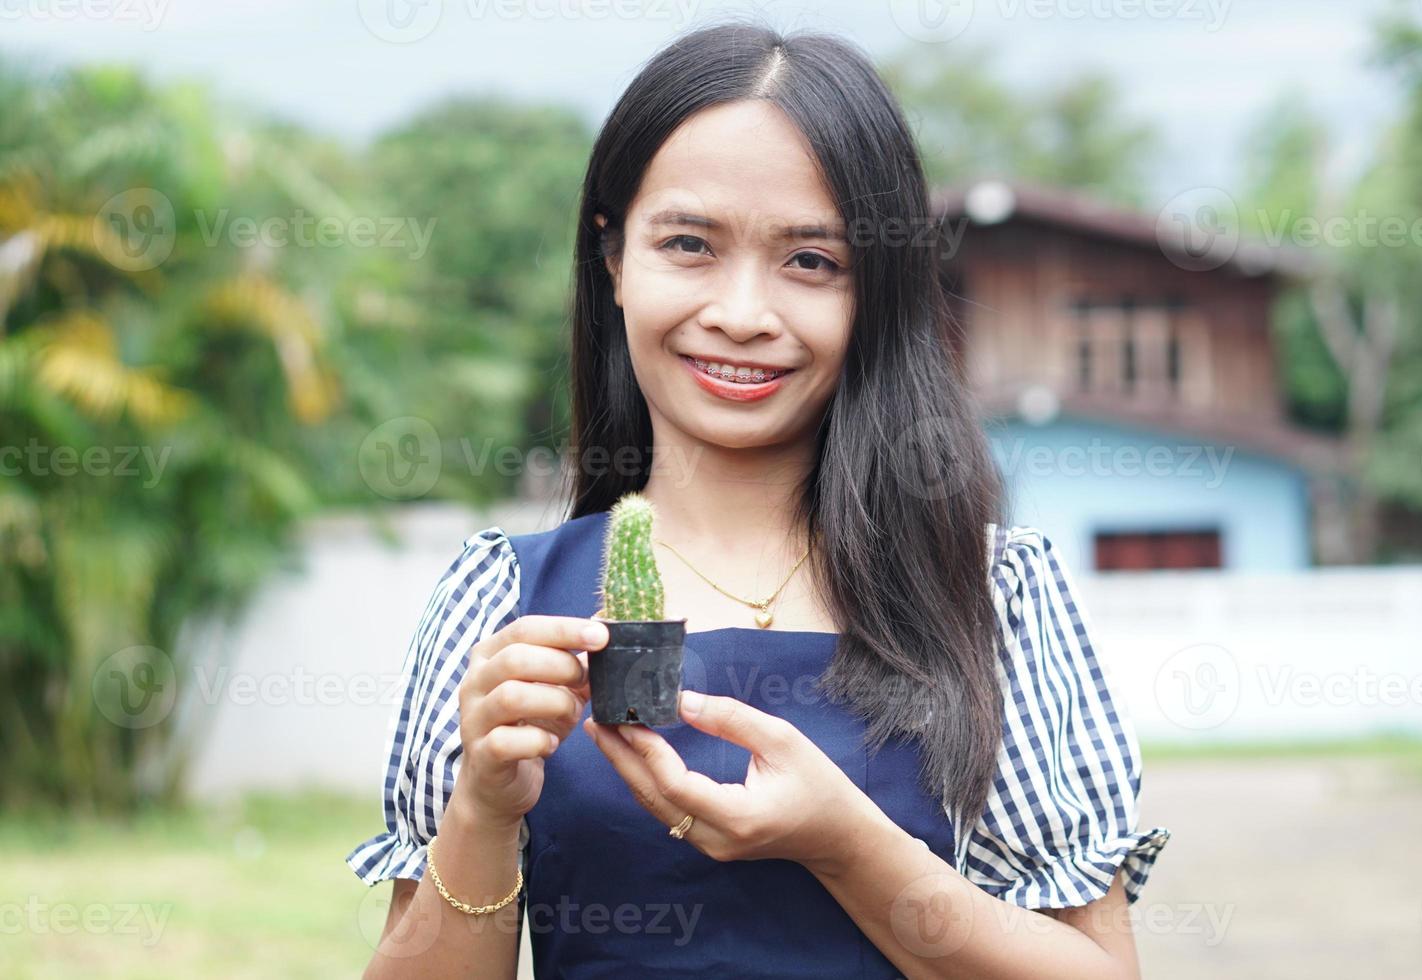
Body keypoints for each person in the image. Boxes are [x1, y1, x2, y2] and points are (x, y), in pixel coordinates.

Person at [347, 18, 1170, 979]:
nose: (742, 315)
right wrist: (483, 809)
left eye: (810, 261)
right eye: (689, 244)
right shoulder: (501, 600)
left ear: (877, 294)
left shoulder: (992, 595)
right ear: (614, 261)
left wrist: (846, 844)